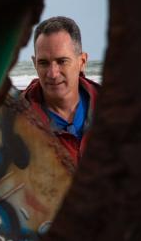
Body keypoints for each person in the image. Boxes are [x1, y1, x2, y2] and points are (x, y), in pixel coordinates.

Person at [22, 16, 99, 163]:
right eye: (44, 63)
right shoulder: (14, 122)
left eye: (62, 61)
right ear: (34, 63)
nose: (52, 73)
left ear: (82, 61)